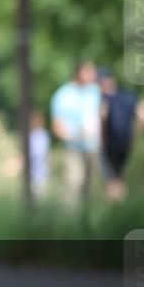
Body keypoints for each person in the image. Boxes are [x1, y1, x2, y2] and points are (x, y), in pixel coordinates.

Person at [50, 61, 102, 205]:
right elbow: (57, 126)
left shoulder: (95, 91)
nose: (93, 75)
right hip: (73, 148)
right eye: (89, 72)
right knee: (73, 185)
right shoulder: (63, 95)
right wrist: (74, 137)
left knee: (92, 188)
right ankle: (71, 224)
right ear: (79, 72)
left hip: (94, 147)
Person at [98, 67, 139, 200]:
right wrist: (134, 135)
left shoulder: (105, 99)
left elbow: (103, 117)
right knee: (121, 178)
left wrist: (102, 140)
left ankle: (116, 211)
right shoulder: (129, 96)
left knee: (112, 180)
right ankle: (123, 208)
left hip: (110, 145)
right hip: (126, 143)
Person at [28, 110, 50, 197]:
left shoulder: (40, 136)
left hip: (38, 176)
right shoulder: (43, 135)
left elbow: (36, 154)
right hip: (38, 175)